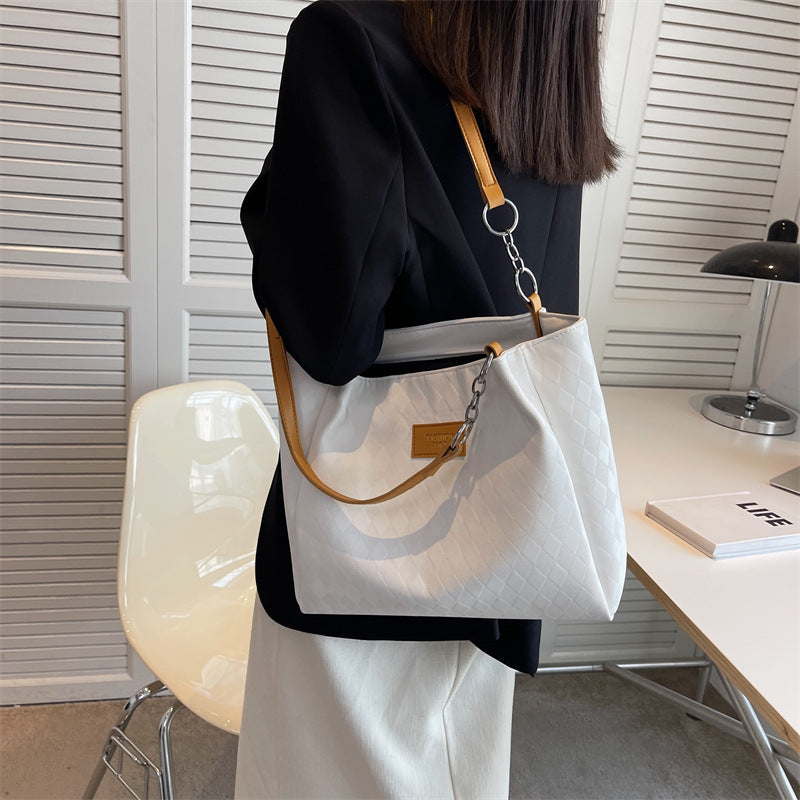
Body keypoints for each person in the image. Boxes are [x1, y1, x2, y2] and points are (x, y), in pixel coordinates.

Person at [236, 1, 617, 797]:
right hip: (501, 532)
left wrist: (271, 202)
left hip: (360, 550)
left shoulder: (347, 37)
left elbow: (330, 339)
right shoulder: (549, 69)